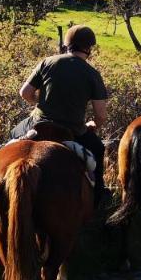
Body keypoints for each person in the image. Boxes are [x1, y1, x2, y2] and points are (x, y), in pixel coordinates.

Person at [16, 24, 109, 203]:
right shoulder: (92, 74)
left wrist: (40, 103)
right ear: (89, 47)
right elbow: (101, 115)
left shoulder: (47, 62)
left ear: (67, 44)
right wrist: (92, 125)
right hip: (72, 130)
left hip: (38, 123)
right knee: (98, 149)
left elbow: (25, 93)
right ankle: (98, 196)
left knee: (13, 135)